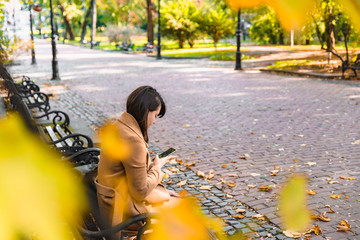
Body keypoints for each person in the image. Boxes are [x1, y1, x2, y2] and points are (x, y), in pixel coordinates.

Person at [95, 86, 177, 235]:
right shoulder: (133, 140)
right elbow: (140, 191)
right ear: (146, 111)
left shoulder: (119, 126)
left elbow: (129, 172)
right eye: (155, 115)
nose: (154, 121)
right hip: (122, 215)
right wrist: (157, 168)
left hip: (109, 202)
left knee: (170, 197)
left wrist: (154, 172)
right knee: (183, 211)